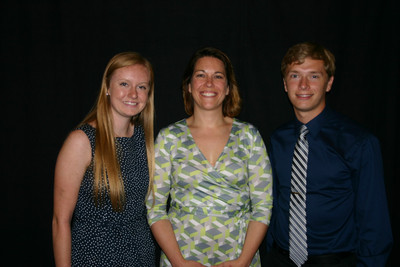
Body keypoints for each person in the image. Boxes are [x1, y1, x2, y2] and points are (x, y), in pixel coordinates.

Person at [265, 42, 393, 266]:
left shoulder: (359, 143)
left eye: (314, 76)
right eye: (295, 75)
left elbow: (374, 218)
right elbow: (272, 203)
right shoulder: (278, 139)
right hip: (280, 259)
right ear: (285, 84)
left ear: (329, 82)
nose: (303, 85)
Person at [147, 47, 273, 267]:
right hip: (181, 261)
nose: (209, 83)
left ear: (228, 88)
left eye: (218, 76)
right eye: (200, 75)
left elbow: (263, 206)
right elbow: (155, 208)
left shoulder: (249, 136)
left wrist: (243, 261)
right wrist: (179, 262)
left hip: (239, 260)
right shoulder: (169, 138)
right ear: (188, 86)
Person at [52, 52, 156, 266]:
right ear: (107, 88)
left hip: (141, 256)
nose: (133, 94)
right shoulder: (82, 141)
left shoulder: (143, 139)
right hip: (95, 257)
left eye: (142, 87)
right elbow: (60, 221)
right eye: (124, 84)